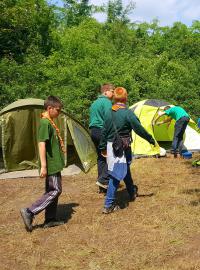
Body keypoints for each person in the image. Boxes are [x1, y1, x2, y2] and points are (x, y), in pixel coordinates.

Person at [99, 87, 155, 214]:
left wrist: (102, 147)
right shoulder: (127, 112)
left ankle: (131, 192)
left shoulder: (109, 111)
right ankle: (108, 205)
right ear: (126, 97)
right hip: (122, 148)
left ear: (114, 98)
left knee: (125, 169)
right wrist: (150, 139)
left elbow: (104, 131)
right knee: (116, 175)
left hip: (110, 145)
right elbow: (139, 129)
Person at [20, 96, 65, 232]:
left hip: (54, 163)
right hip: (50, 164)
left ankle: (50, 219)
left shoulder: (50, 122)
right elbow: (41, 144)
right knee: (56, 190)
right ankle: (30, 211)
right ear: (49, 108)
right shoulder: (45, 123)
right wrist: (44, 166)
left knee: (51, 190)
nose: (59, 112)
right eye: (58, 110)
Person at [89, 83, 115, 192]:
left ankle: (101, 186)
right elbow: (109, 119)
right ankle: (104, 180)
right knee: (110, 156)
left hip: (93, 131)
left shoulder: (94, 103)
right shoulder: (107, 102)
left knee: (101, 157)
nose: (113, 93)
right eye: (112, 91)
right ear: (105, 92)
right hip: (102, 131)